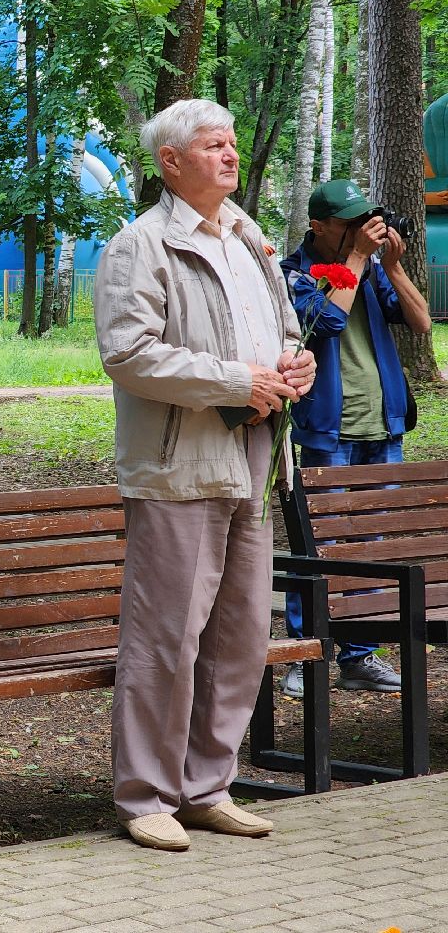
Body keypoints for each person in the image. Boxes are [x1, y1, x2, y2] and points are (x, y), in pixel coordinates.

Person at [93, 99, 316, 852]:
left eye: (231, 142)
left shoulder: (248, 236)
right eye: (213, 145)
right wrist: (234, 381)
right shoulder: (140, 245)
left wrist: (295, 364)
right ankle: (146, 794)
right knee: (168, 636)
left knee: (241, 632)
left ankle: (206, 786)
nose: (229, 154)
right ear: (172, 162)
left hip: (255, 456)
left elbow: (283, 329)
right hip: (177, 464)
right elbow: (128, 353)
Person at [276, 179, 432, 698]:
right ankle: (306, 652)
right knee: (318, 548)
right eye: (348, 222)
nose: (361, 229)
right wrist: (360, 258)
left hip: (382, 426)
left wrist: (389, 264)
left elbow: (422, 323)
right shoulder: (293, 274)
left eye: (365, 219)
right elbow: (326, 322)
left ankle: (359, 656)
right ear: (317, 225)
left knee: (372, 546)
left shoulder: (370, 272)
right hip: (328, 430)